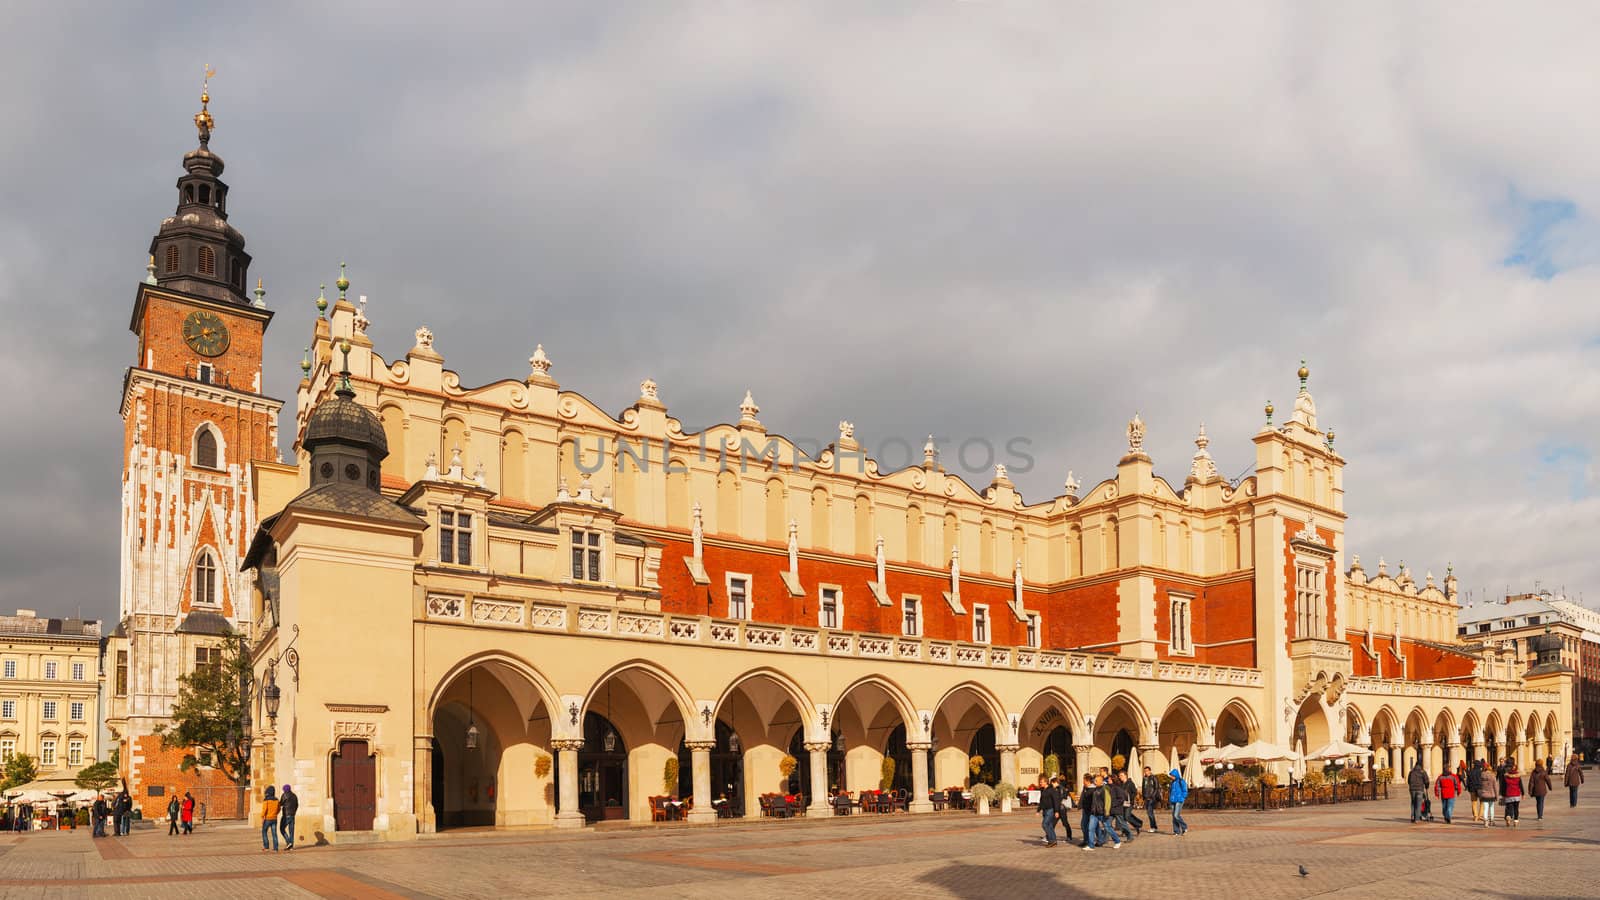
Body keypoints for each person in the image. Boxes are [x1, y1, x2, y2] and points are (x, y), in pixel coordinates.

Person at [1082, 773, 1120, 851]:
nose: (1094, 781)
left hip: (1102, 812)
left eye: (1096, 780)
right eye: (1094, 780)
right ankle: (1091, 845)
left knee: (1108, 827)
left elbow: (1108, 801)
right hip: (1094, 813)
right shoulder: (1095, 789)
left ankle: (1117, 841)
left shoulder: (1105, 789)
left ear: (1101, 781)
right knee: (1091, 828)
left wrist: (1106, 812)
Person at [1107, 772, 1135, 842]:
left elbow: (1121, 799)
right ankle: (1104, 838)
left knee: (1122, 823)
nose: (1108, 780)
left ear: (1113, 780)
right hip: (1111, 809)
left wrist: (1113, 804)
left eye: (1109, 779)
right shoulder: (1109, 787)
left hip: (1117, 809)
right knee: (1107, 824)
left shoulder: (1117, 788)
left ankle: (1130, 836)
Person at [1038, 776, 1061, 846]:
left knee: (1044, 824)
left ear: (1046, 782)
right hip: (1045, 810)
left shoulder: (1051, 789)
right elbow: (1041, 801)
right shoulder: (1043, 790)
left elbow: (1056, 801)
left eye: (1041, 782)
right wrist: (1038, 810)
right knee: (1050, 825)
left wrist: (1056, 811)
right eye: (1040, 782)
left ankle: (1051, 840)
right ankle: (1054, 841)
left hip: (1050, 810)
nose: (1040, 783)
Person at [1478, 760, 1500, 827]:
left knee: (1485, 808)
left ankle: (1485, 821)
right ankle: (1492, 820)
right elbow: (1495, 787)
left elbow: (1480, 786)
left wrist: (1480, 794)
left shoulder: (1481, 775)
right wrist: (1497, 796)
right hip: (1491, 794)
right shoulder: (1493, 776)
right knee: (1491, 807)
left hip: (1484, 794)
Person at [1168, 767, 1189, 836]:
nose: (1172, 777)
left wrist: (1183, 797)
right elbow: (1170, 791)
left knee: (1176, 815)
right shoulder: (1172, 782)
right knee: (1174, 816)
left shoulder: (1181, 781)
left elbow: (1185, 790)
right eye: (1171, 776)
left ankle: (1184, 827)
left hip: (1179, 800)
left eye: (1173, 776)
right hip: (1172, 800)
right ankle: (1176, 831)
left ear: (1176, 775)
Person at [1502, 761, 1523, 828]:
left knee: (1509, 807)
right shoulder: (1518, 777)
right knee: (1516, 808)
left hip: (1509, 794)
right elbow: (1520, 785)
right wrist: (1523, 793)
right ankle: (1516, 821)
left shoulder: (1506, 777)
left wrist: (1503, 794)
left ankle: (1508, 816)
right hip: (1516, 794)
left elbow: (1504, 786)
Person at [1141, 766, 1162, 833]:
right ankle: (1154, 826)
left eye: (1147, 771)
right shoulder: (1144, 778)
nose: (1146, 772)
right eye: (1145, 771)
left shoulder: (1154, 778)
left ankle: (1153, 827)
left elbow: (1156, 787)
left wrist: (1152, 796)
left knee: (1150, 813)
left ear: (1150, 771)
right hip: (1146, 797)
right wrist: (1143, 796)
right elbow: (1143, 788)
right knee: (1149, 813)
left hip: (1152, 798)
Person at [260, 786, 280, 852]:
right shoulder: (276, 800)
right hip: (274, 818)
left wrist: (262, 817)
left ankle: (266, 847)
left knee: (264, 831)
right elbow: (279, 809)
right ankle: (276, 848)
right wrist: (275, 813)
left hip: (268, 819)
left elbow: (264, 810)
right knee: (274, 833)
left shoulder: (266, 800)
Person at [279, 784, 298, 851]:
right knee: (291, 831)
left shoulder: (284, 795)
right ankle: (291, 846)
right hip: (292, 815)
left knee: (282, 829)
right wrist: (294, 812)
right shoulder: (294, 795)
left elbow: (280, 803)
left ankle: (288, 842)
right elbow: (297, 805)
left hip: (286, 815)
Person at [1077, 774, 1094, 848]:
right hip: (1085, 809)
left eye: (1084, 780)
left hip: (1091, 810)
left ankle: (1097, 840)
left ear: (1087, 781)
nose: (1083, 782)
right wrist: (1080, 805)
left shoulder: (1093, 789)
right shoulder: (1085, 787)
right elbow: (1082, 796)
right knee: (1083, 825)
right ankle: (1086, 840)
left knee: (1091, 827)